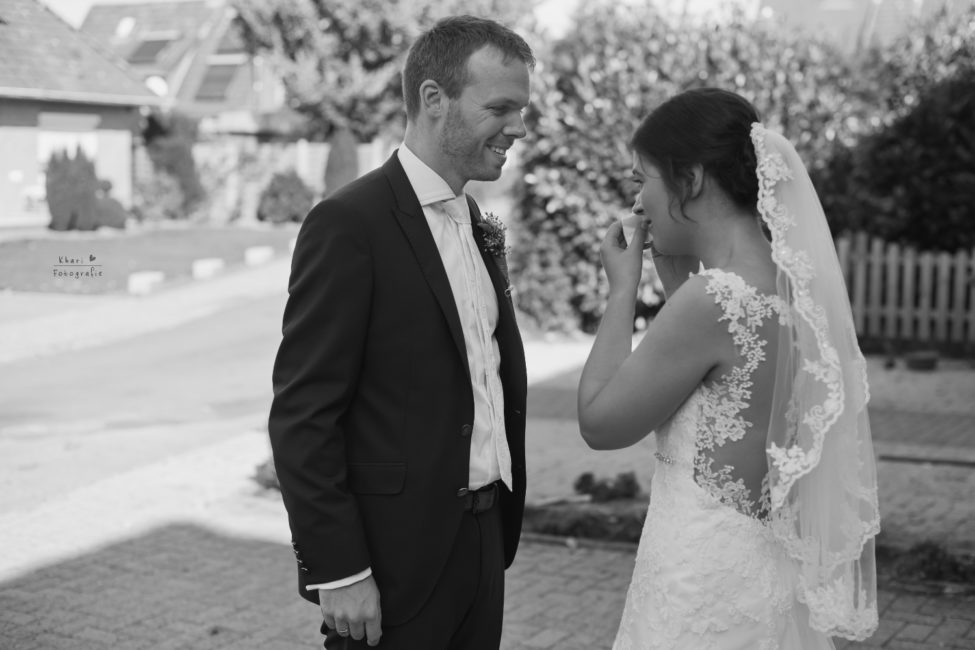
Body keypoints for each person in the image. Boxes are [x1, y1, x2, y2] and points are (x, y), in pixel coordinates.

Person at [577, 88, 880, 649]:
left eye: (642, 180)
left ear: (690, 179)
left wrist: (621, 291)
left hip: (700, 583)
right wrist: (677, 289)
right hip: (763, 570)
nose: (638, 204)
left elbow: (600, 424)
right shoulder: (792, 284)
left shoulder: (711, 300)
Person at [268, 16, 533, 650]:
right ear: (435, 99)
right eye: (500, 108)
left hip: (482, 543)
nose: (519, 128)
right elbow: (304, 414)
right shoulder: (348, 224)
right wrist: (340, 569)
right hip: (391, 563)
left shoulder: (475, 219)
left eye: (522, 111)